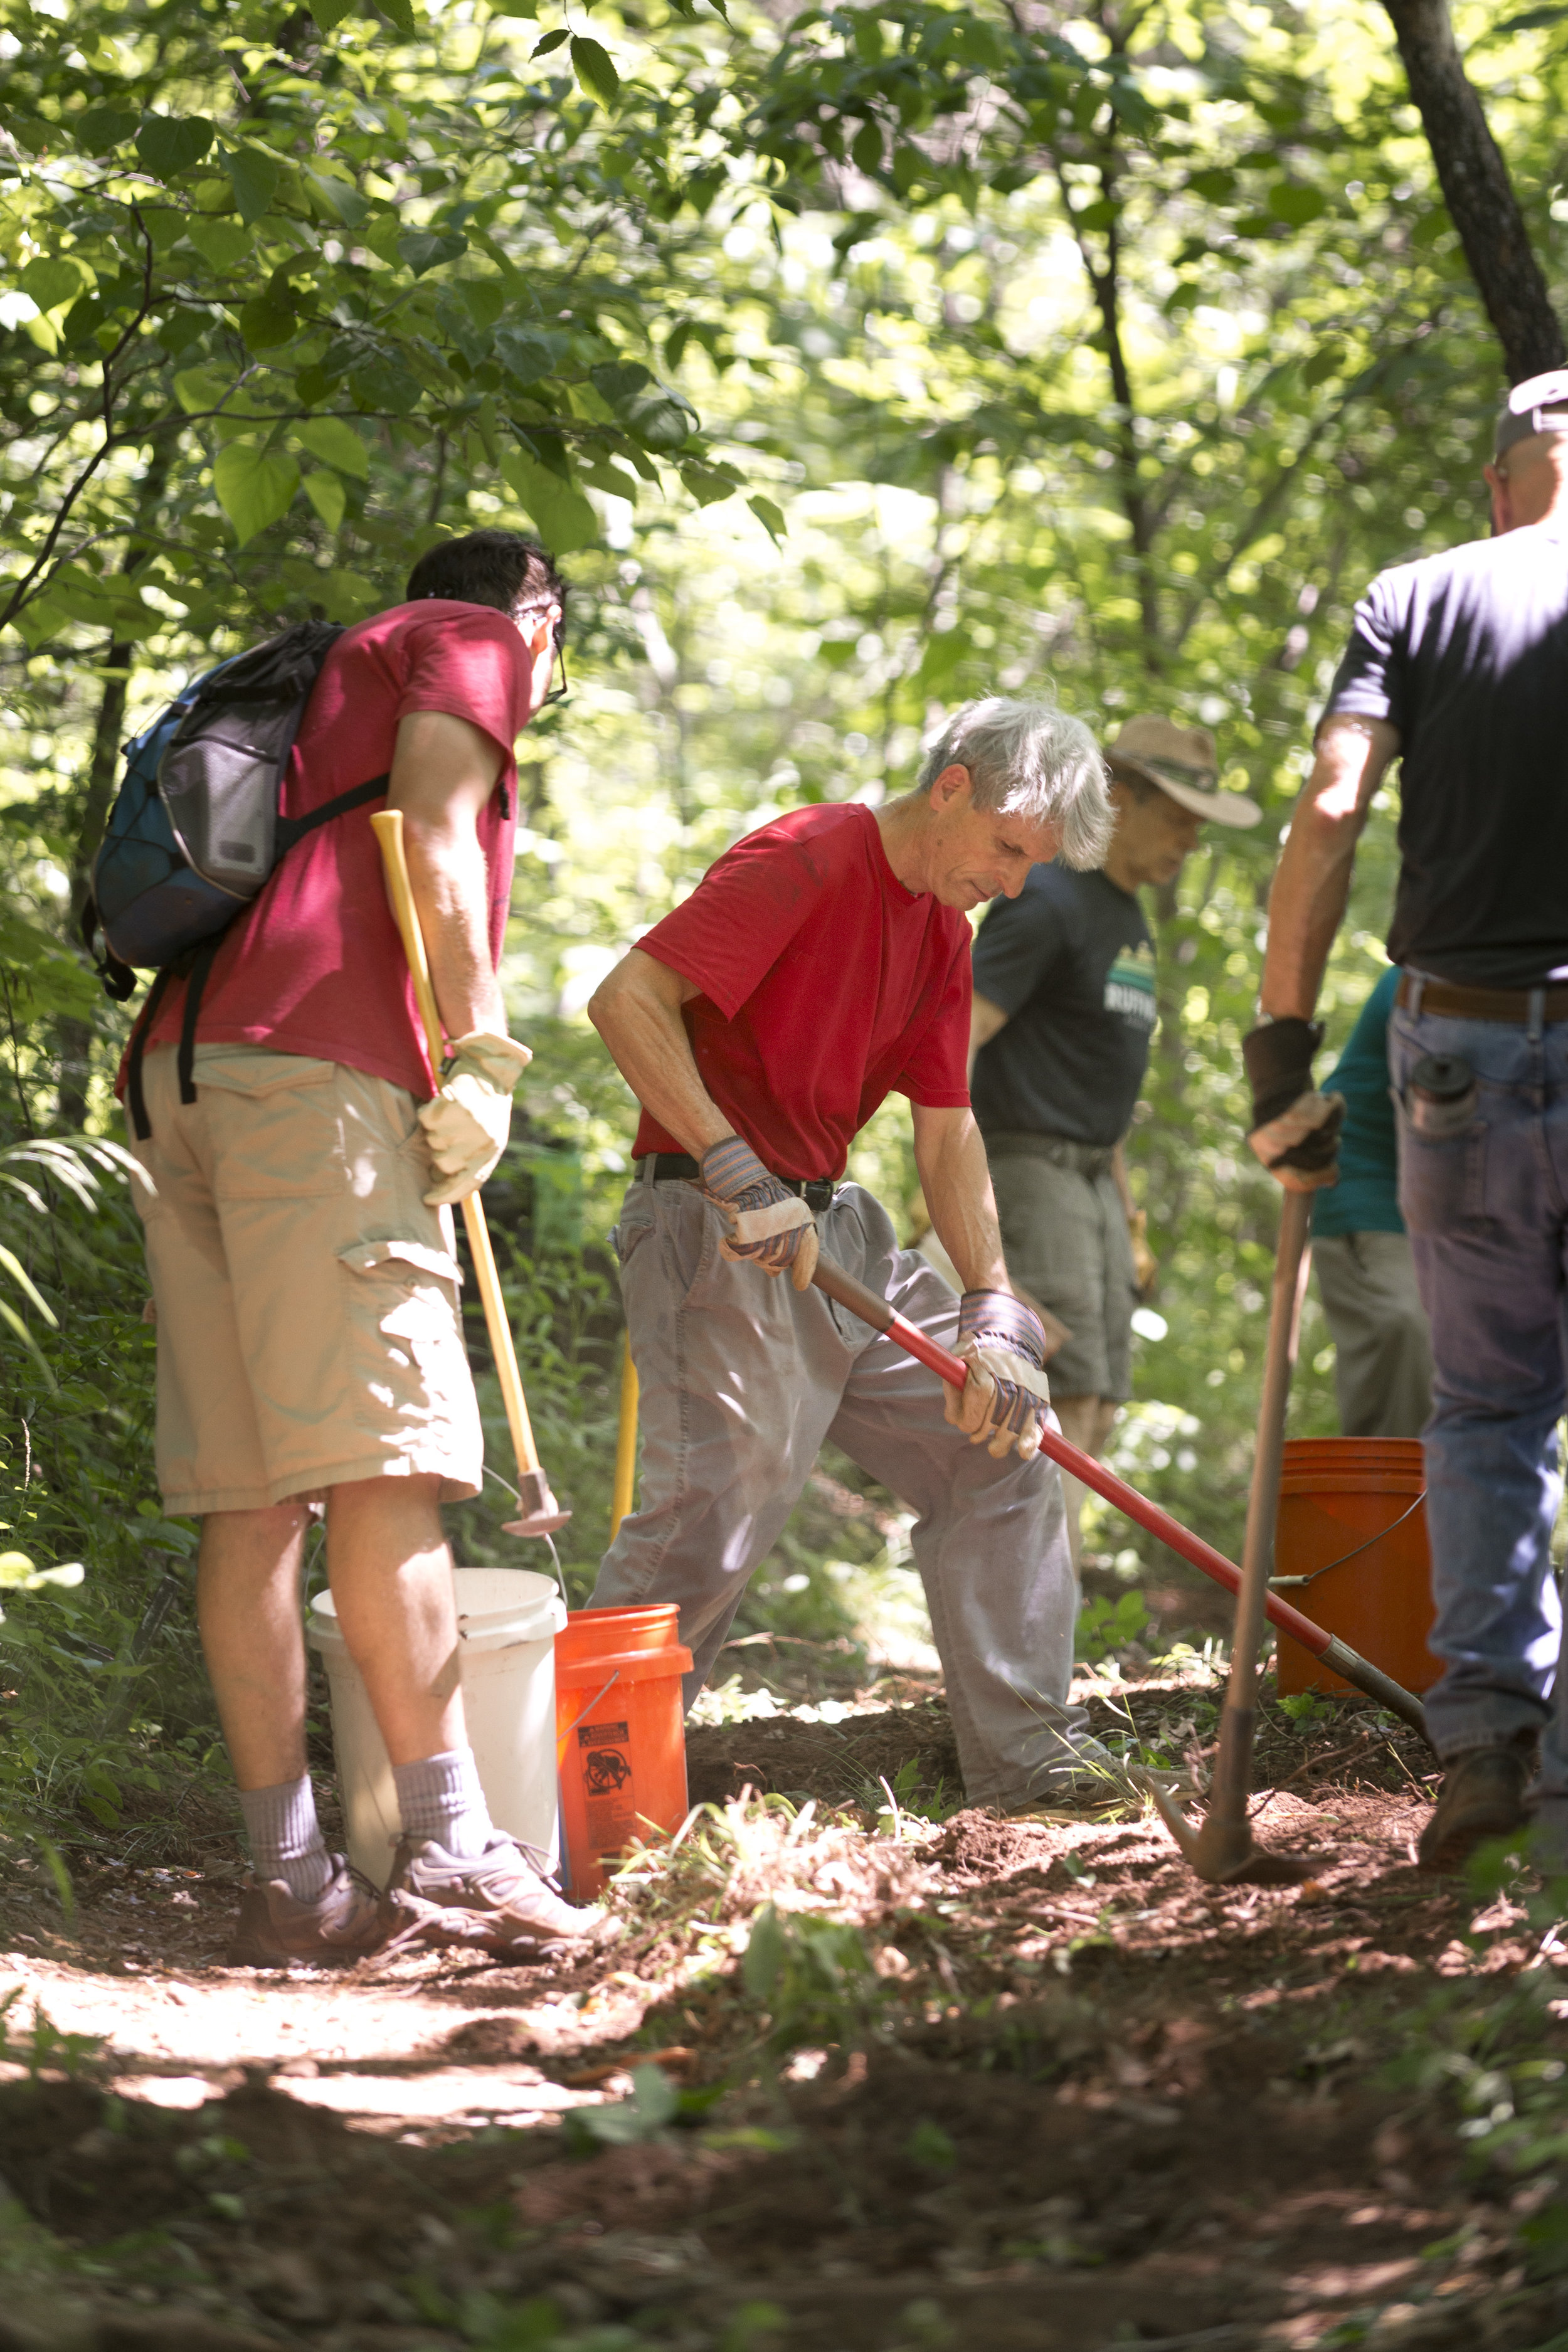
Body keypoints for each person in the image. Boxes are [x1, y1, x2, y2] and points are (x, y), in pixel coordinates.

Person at [125, 529, 610, 1963]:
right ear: (538, 611)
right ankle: (456, 1849)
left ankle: (290, 1875)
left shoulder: (335, 672)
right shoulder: (469, 638)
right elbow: (438, 829)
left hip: (185, 1072)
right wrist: (480, 1055)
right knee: (387, 1462)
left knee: (253, 1498)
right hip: (317, 1085)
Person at [586, 696, 1120, 1809]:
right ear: (953, 786)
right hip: (711, 1219)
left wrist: (994, 1310)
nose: (1015, 884)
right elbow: (628, 998)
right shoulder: (812, 855)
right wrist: (734, 1168)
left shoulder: (941, 935)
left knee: (1009, 1439)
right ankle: (593, 1792)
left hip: (834, 1234)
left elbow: (948, 1129)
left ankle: (1029, 1764)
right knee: (720, 1505)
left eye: (1036, 867)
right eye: (1010, 851)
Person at [1242, 368, 1568, 1875]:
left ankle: (1484, 1735)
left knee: (1487, 1399)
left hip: (1456, 1048)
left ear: (1504, 479)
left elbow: (1327, 808)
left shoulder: (1417, 596)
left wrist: (1280, 1054)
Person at [967, 716, 1259, 1573]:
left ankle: (1045, 1609)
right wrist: (939, 1186)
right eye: (1180, 817)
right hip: (1030, 1167)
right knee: (1052, 1393)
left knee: (1098, 1399)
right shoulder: (1048, 896)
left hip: (1094, 1179)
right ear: (1120, 801)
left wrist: (1128, 1212)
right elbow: (958, 1043)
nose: (1190, 840)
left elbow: (1107, 1084)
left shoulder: (1127, 917)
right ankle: (1017, 1615)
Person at [1311, 963, 1433, 1439]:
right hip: (1372, 1190)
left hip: (1463, 1202)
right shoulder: (1424, 974)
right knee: (1412, 1332)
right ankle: (1388, 1504)